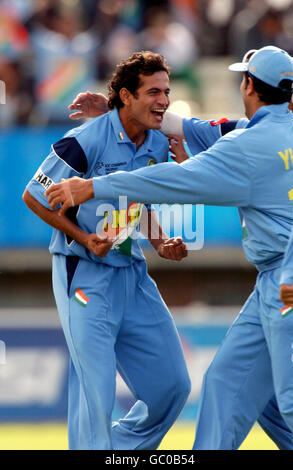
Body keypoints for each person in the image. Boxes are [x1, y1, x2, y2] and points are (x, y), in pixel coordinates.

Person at [45, 46, 293, 449]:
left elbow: (169, 180)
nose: (162, 100)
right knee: (224, 384)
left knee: (289, 402)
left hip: (289, 283)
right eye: (153, 93)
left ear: (248, 85)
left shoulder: (247, 144)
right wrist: (118, 113)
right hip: (269, 284)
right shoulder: (272, 128)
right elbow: (196, 128)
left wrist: (93, 186)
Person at [23, 51, 191, 450]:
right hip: (84, 275)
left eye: (166, 91)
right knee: (95, 393)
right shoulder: (85, 140)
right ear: (126, 96)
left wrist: (160, 242)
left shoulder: (157, 141)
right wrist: (84, 240)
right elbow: (33, 196)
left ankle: (116, 450)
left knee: (173, 386)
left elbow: (142, 198)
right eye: (153, 92)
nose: (164, 100)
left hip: (132, 274)